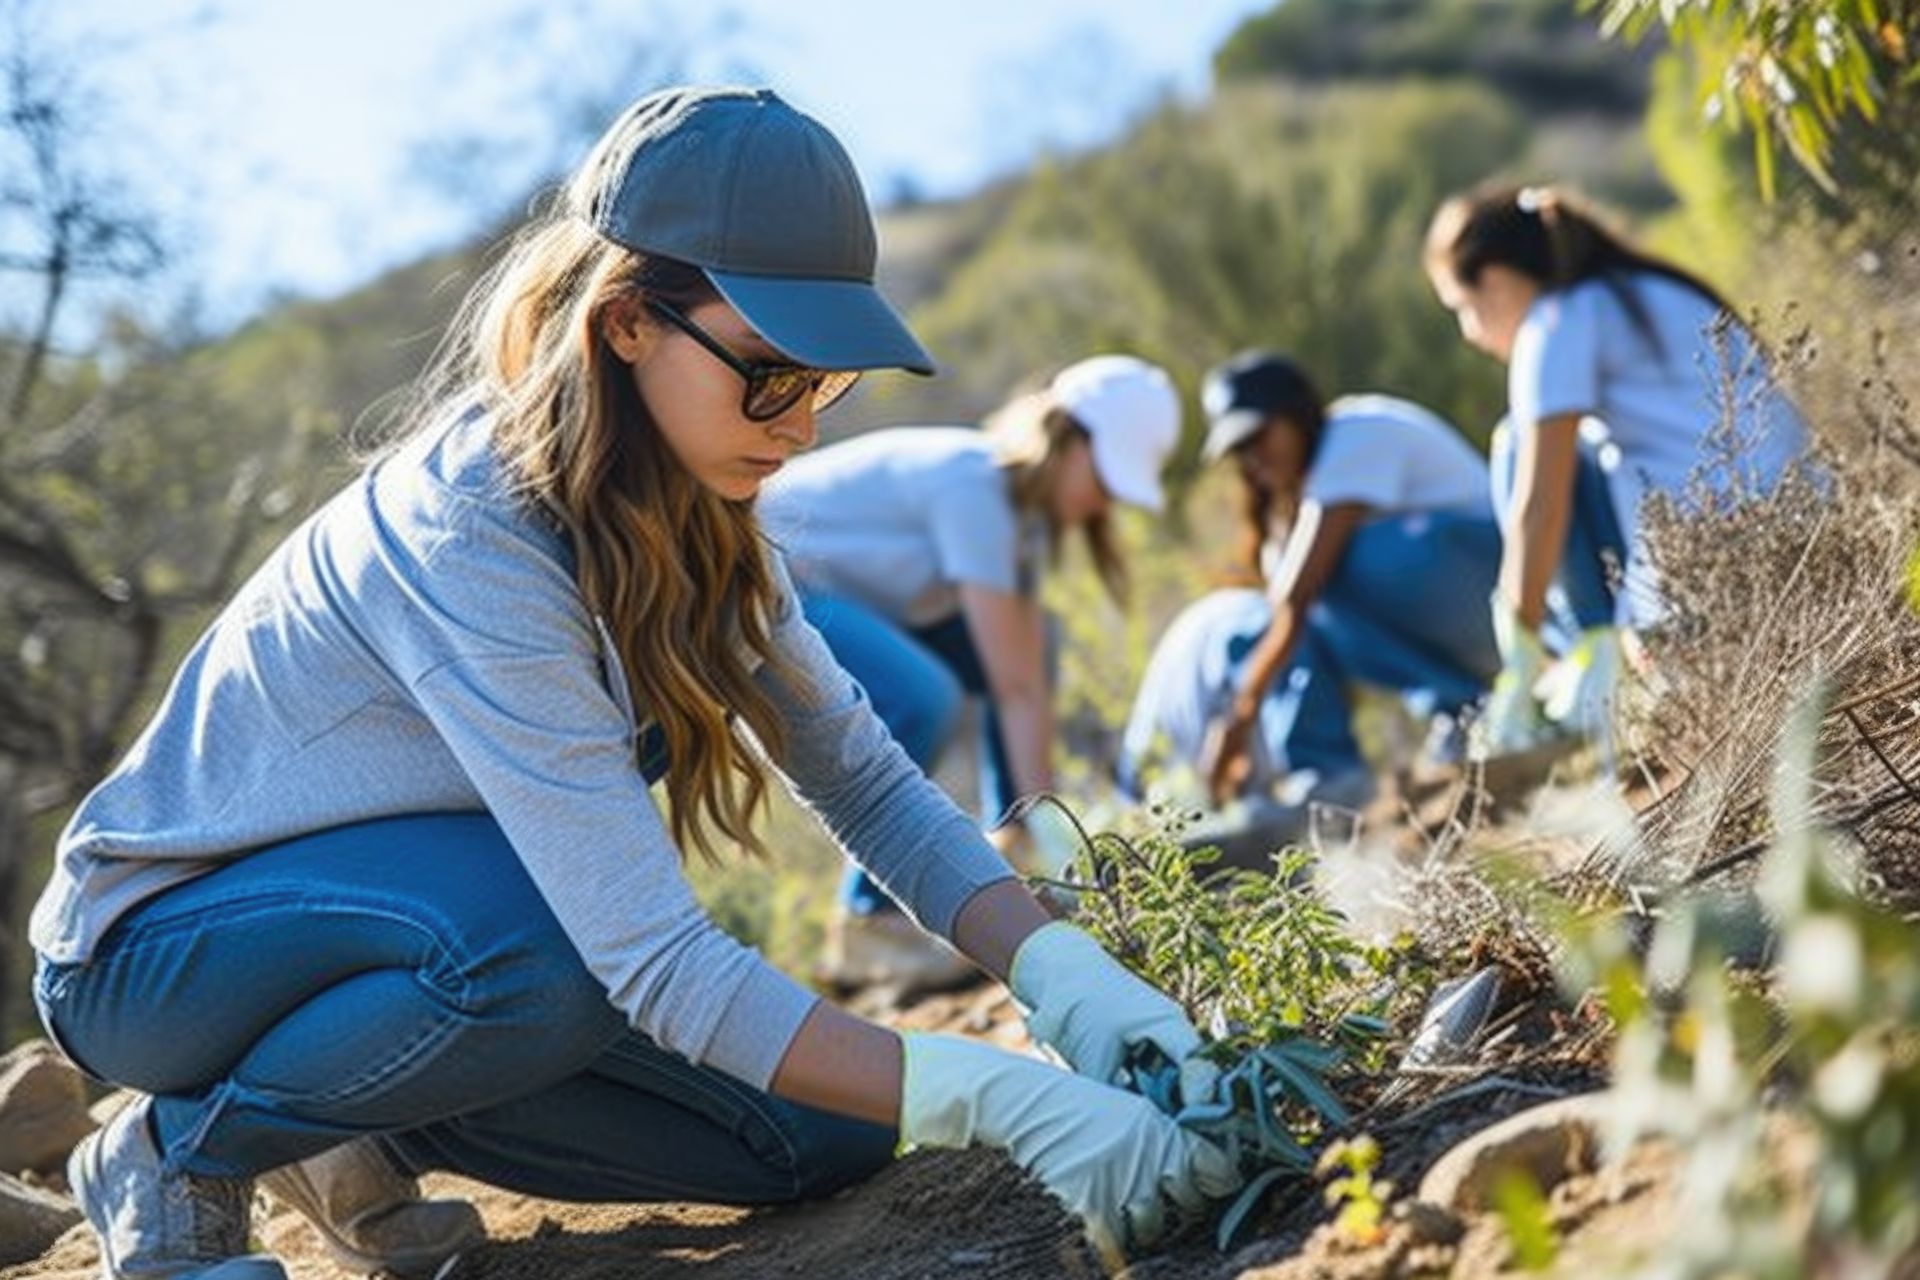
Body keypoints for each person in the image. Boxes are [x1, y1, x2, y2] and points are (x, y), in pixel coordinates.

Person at [31, 87, 1238, 1280]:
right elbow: (648, 956)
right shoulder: (472, 535)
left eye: (822, 383)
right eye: (769, 372)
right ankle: (178, 1145)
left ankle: (362, 1099)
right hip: (160, 954)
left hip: (435, 943)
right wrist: (999, 1094)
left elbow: (863, 780)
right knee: (546, 958)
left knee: (822, 1134)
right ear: (626, 323)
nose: (800, 427)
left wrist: (1063, 974)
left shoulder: (709, 515)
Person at [760, 355, 1180, 992]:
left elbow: (1024, 676)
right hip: (759, 576)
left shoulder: (1019, 517)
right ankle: (866, 928)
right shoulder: (976, 486)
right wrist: (1062, 848)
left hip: (845, 594)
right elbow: (1012, 689)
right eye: (1107, 480)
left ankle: (1011, 855)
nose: (1104, 505)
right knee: (923, 698)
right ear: (1069, 441)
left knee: (1037, 641)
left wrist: (1044, 840)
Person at [1424, 181, 1809, 754]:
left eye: (1463, 308)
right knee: (1598, 453)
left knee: (1514, 444)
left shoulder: (1555, 323)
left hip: (1712, 595)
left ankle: (1592, 671)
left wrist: (1517, 659)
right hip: (1809, 543)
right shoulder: (1646, 288)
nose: (1470, 334)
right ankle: (1603, 659)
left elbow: (1539, 505)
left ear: (1497, 280)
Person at [1118, 353, 1501, 859]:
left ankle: (1472, 705)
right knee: (1315, 606)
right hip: (1463, 612)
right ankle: (1465, 711)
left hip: (1498, 580)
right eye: (1241, 449)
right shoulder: (1303, 499)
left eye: (1260, 437)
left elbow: (1294, 598)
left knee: (1329, 579)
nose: (1253, 459)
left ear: (1297, 415)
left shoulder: (1353, 436)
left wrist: (1237, 718)